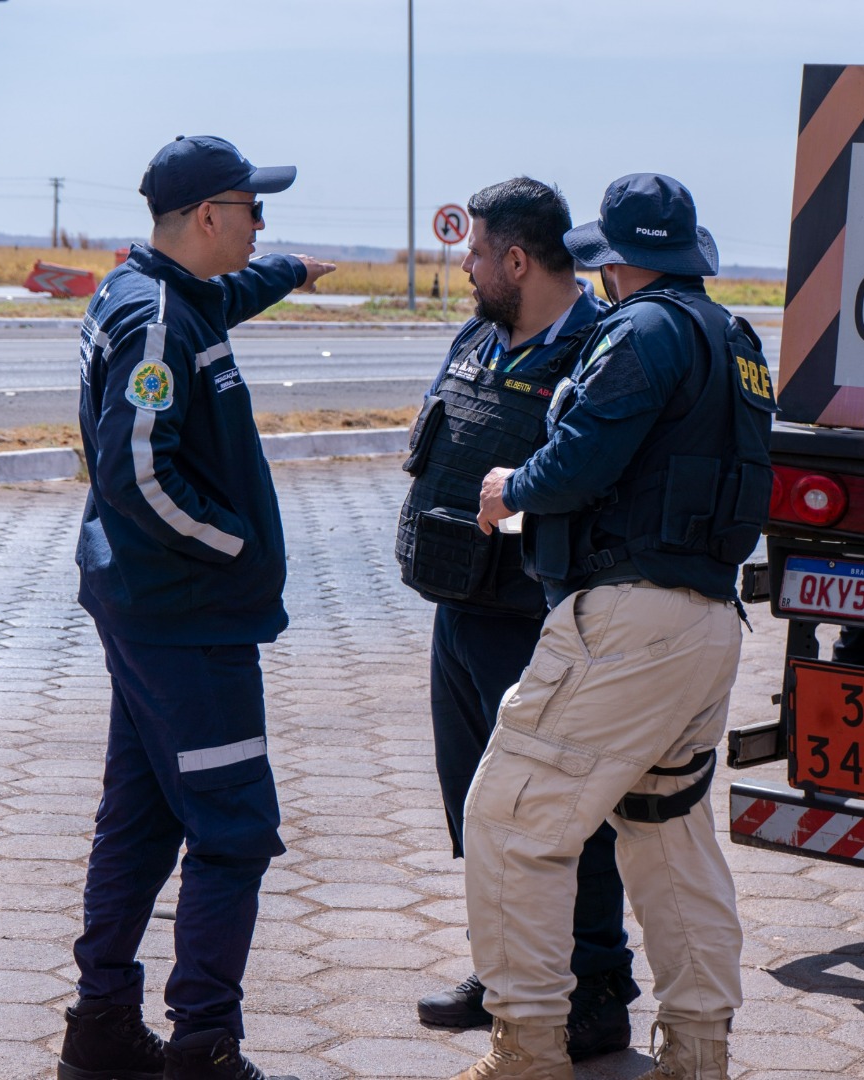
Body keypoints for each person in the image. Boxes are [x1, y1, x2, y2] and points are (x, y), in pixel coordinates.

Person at [455, 173, 775, 1080]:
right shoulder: (735, 337)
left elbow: (583, 459)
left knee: (513, 820)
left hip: (627, 621)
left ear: (617, 260)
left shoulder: (639, 332)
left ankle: (527, 1049)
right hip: (708, 622)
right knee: (666, 832)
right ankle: (698, 1054)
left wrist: (509, 488)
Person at [57, 135, 335, 1080]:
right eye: (255, 209)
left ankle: (99, 1029)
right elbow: (138, 473)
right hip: (188, 618)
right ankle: (204, 1046)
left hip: (149, 612)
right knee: (233, 828)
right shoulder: (155, 322)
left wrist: (293, 269)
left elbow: (232, 294)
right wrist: (237, 547)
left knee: (139, 820)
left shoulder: (161, 290)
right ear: (210, 216)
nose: (265, 222)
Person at [394, 178, 637, 1059]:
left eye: (477, 250)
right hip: (457, 613)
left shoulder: (596, 351)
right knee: (479, 808)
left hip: (538, 623)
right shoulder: (482, 333)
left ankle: (597, 985)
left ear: (519, 259)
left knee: (563, 813)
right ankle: (505, 975)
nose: (464, 262)